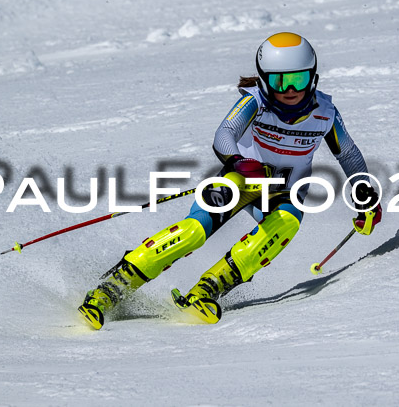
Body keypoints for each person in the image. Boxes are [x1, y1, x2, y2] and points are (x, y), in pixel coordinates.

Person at [78, 32, 382, 329]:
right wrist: (239, 162)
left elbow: (349, 155)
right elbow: (224, 135)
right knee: (194, 231)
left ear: (312, 78)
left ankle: (210, 288)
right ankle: (114, 285)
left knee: (285, 223)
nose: (290, 89)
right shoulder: (255, 103)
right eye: (280, 81)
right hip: (242, 180)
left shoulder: (325, 114)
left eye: (298, 79)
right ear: (264, 80)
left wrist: (366, 193)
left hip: (286, 192)